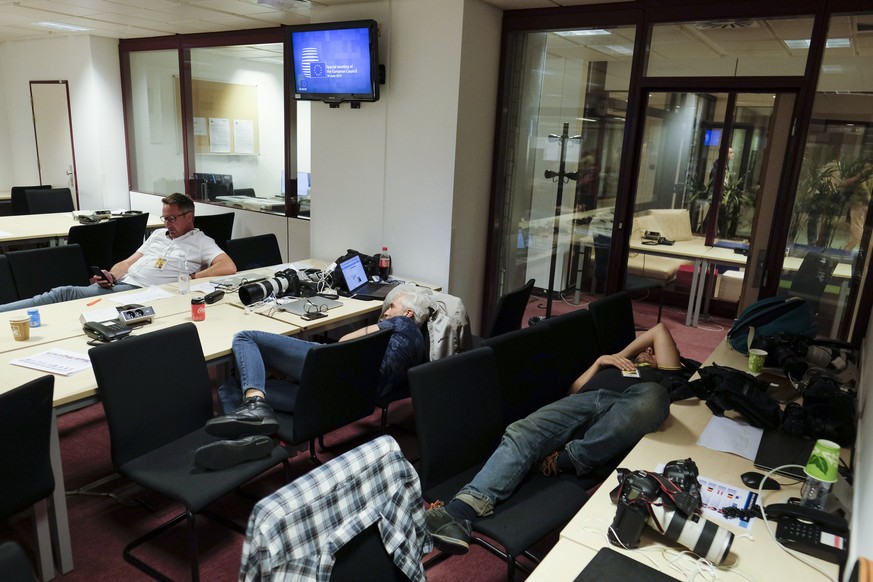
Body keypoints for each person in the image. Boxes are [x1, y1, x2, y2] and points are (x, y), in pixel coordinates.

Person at [425, 323, 680, 555]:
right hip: (586, 401)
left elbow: (659, 331)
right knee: (522, 430)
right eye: (644, 349)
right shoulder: (614, 367)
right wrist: (601, 362)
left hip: (628, 411)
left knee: (654, 397)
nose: (647, 350)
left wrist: (639, 358)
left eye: (653, 351)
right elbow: (574, 391)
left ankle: (567, 460)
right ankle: (459, 511)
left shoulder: (661, 378)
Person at [204, 289, 429, 440]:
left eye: (392, 306)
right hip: (336, 404)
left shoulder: (398, 322)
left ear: (408, 313)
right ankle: (250, 437)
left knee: (245, 337)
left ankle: (254, 406)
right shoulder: (419, 345)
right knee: (231, 388)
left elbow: (344, 342)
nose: (386, 311)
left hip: (330, 368)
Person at [0, 193, 237, 312]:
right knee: (63, 295)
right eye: (164, 218)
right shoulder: (157, 236)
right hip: (123, 285)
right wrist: (110, 275)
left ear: (189, 217)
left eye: (172, 218)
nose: (167, 223)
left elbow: (228, 267)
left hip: (144, 293)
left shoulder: (200, 241)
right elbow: (127, 263)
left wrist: (192, 278)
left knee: (62, 294)